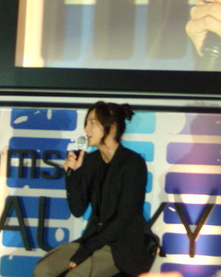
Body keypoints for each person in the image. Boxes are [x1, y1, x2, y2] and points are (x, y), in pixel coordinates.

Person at [33, 101, 154, 277]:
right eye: (86, 123)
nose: (86, 129)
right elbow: (77, 209)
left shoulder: (132, 163)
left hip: (122, 246)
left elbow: (124, 217)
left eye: (92, 123)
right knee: (42, 270)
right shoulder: (91, 161)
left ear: (111, 127)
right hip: (92, 240)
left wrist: (87, 250)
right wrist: (72, 175)